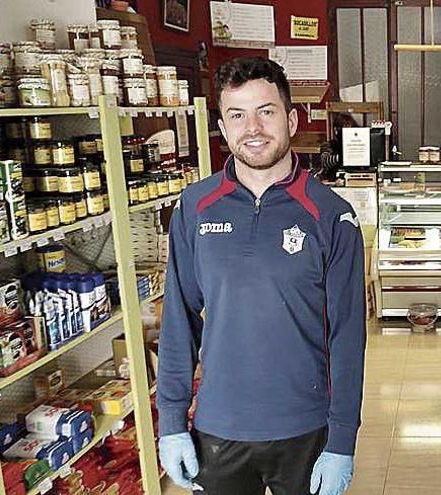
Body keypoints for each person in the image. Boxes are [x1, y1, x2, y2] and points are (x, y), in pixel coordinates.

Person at [156, 56, 366, 495]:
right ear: (223, 124)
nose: (253, 127)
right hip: (219, 428)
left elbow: (348, 337)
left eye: (266, 111)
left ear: (290, 119)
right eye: (237, 115)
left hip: (306, 428)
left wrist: (342, 440)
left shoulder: (332, 216)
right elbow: (179, 321)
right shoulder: (195, 207)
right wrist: (172, 423)